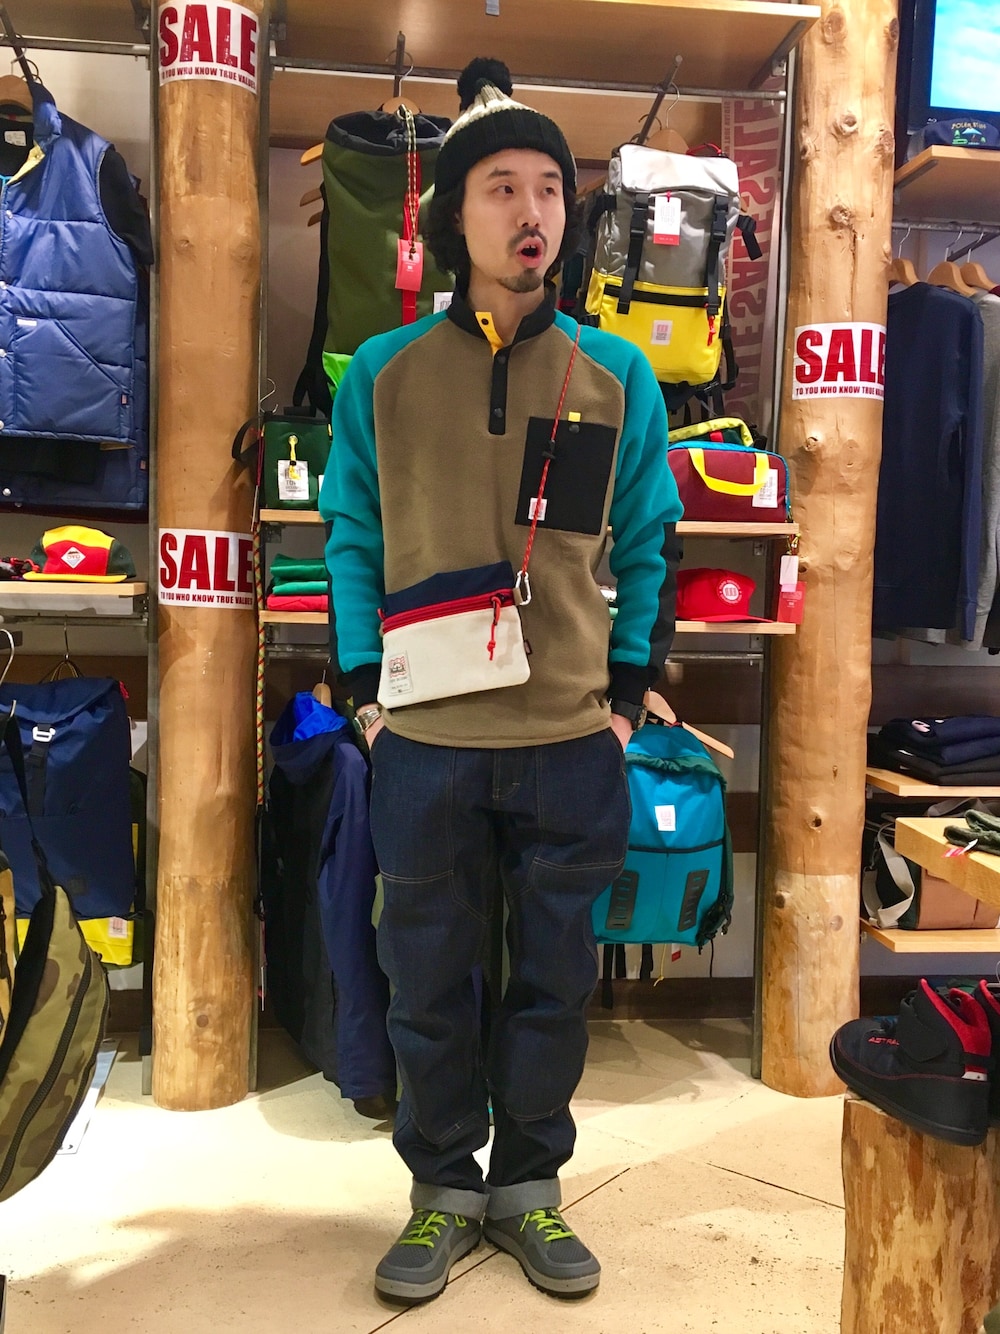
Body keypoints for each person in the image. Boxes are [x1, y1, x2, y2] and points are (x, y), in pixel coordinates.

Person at [321, 56, 682, 1305]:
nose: (530, 211)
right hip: (422, 736)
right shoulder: (381, 372)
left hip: (570, 739)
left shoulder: (615, 374)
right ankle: (440, 1188)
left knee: (552, 980)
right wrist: (365, 694)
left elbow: (648, 540)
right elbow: (351, 535)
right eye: (500, 187)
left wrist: (625, 699)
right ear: (454, 214)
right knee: (426, 980)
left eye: (549, 189)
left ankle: (528, 1186)